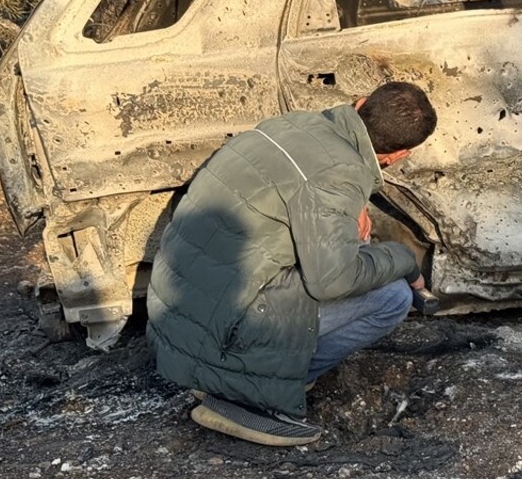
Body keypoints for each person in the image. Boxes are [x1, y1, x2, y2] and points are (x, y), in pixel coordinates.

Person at [147, 81, 437, 447]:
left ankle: (238, 372)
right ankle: (247, 393)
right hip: (221, 331)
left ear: (361, 103)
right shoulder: (340, 175)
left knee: (344, 259)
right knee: (392, 297)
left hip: (175, 315)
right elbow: (332, 280)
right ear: (399, 155)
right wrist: (403, 259)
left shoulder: (292, 125)